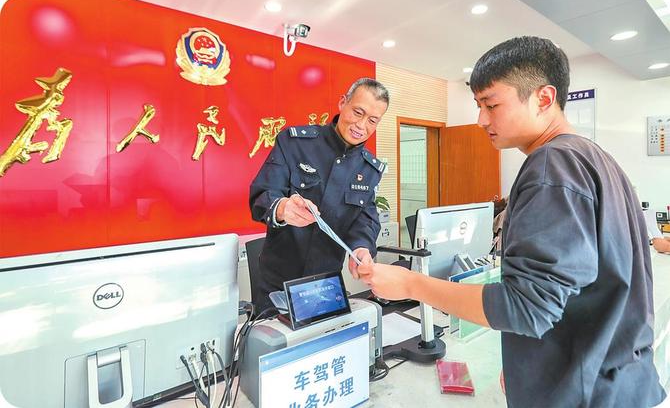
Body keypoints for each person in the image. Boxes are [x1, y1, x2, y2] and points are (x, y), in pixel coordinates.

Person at [357, 37, 666, 407]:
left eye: (491, 105)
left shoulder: (552, 165)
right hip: (615, 382)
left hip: (584, 392)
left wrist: (411, 283)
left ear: (543, 98)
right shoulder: (593, 158)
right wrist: (529, 360)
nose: (481, 120)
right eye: (478, 106)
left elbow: (526, 307)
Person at [249, 78, 389, 312]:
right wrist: (282, 208)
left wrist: (362, 247)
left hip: (326, 285)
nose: (361, 125)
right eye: (358, 112)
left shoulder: (369, 169)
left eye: (372, 120)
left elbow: (366, 219)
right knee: (272, 336)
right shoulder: (295, 142)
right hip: (277, 282)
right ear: (342, 103)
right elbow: (263, 194)